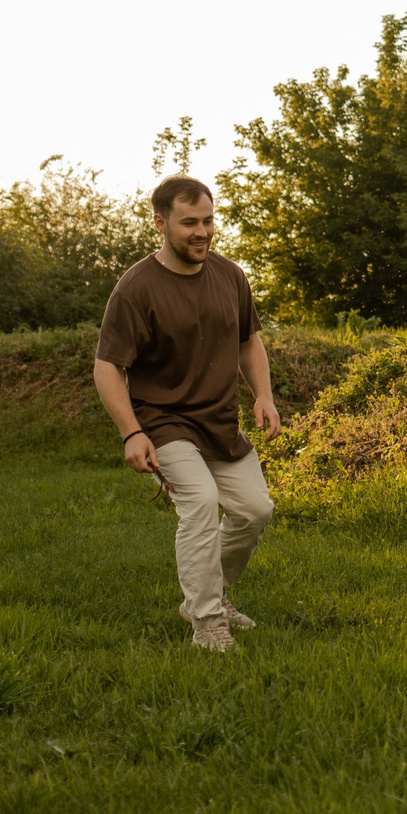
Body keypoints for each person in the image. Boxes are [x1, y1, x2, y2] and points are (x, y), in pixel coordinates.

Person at [93, 175, 281, 654]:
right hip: (162, 422)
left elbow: (247, 341)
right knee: (198, 503)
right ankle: (207, 623)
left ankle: (210, 593)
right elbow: (107, 367)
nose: (202, 232)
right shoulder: (136, 288)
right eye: (189, 223)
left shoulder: (230, 275)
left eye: (208, 220)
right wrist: (130, 433)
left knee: (256, 511)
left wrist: (263, 394)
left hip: (220, 421)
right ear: (160, 223)